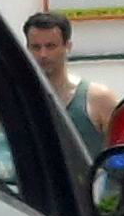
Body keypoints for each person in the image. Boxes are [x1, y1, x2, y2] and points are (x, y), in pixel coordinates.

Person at [24, 11, 117, 157]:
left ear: (67, 46)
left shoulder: (98, 99)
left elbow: (121, 156)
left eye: (50, 46)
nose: (43, 54)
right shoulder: (12, 99)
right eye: (36, 47)